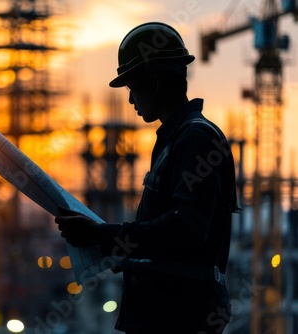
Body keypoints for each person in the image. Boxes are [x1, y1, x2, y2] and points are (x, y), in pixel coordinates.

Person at [55, 22, 240, 334]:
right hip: (165, 312)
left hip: (178, 316)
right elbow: (168, 242)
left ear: (153, 80)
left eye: (132, 88)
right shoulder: (176, 139)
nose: (130, 101)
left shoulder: (196, 139)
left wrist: (103, 235)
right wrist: (115, 248)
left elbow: (186, 229)